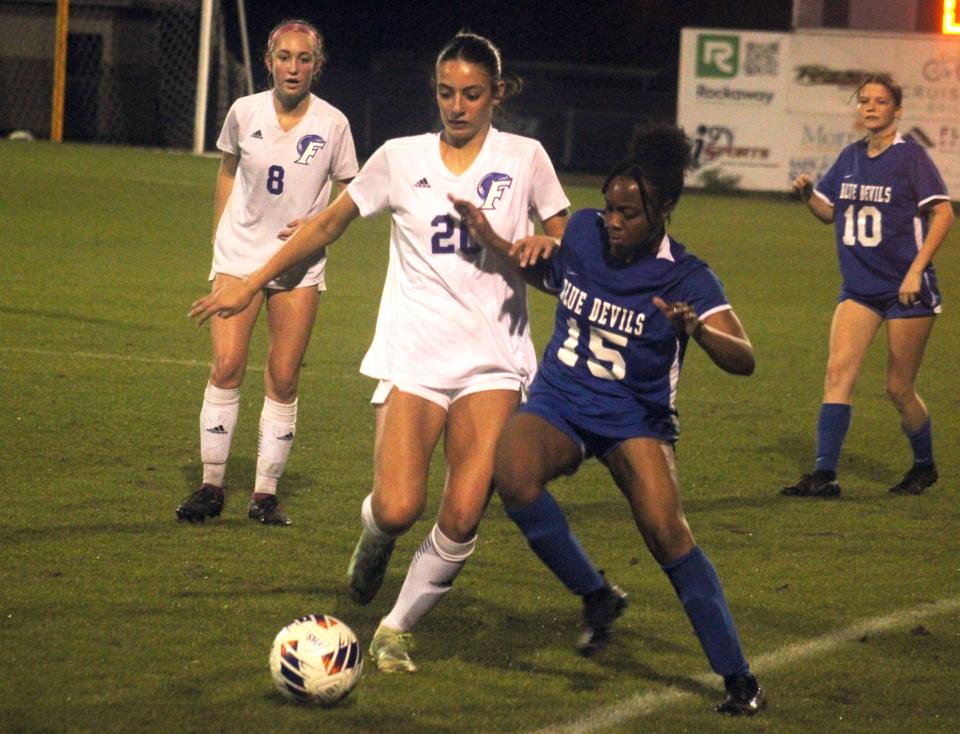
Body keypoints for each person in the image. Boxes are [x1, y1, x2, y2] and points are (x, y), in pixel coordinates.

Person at [189, 32, 570, 671]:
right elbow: (327, 222)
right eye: (446, 93)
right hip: (413, 357)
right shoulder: (399, 156)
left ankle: (395, 626)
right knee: (398, 507)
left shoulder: (526, 157)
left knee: (464, 512)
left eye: (472, 94)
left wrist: (547, 244)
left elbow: (562, 230)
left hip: (494, 361)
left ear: (495, 96)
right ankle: (375, 540)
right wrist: (251, 282)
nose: (457, 106)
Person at [450, 123, 765, 715]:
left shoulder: (687, 278)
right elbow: (553, 277)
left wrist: (696, 328)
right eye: (610, 208)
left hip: (634, 419)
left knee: (667, 536)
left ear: (664, 210)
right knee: (512, 472)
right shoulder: (587, 234)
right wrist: (496, 237)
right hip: (561, 400)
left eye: (628, 213)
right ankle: (596, 595)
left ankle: (738, 677)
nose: (613, 221)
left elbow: (744, 359)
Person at [176, 19, 359, 526]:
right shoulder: (244, 112)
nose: (293, 67)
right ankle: (212, 485)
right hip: (238, 257)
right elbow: (228, 170)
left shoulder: (334, 124)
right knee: (227, 365)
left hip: (299, 265)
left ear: (316, 66)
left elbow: (352, 189)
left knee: (283, 376)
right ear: (269, 60)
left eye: (304, 59)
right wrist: (220, 237)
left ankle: (264, 494)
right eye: (285, 57)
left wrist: (323, 221)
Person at [782, 73, 953, 498]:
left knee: (898, 388)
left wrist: (916, 270)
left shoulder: (910, 157)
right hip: (859, 289)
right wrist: (807, 195)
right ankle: (825, 476)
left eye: (880, 101)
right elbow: (829, 213)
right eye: (864, 101)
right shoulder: (850, 156)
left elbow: (944, 213)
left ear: (898, 110)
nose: (870, 107)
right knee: (837, 373)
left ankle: (924, 465)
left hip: (905, 291)